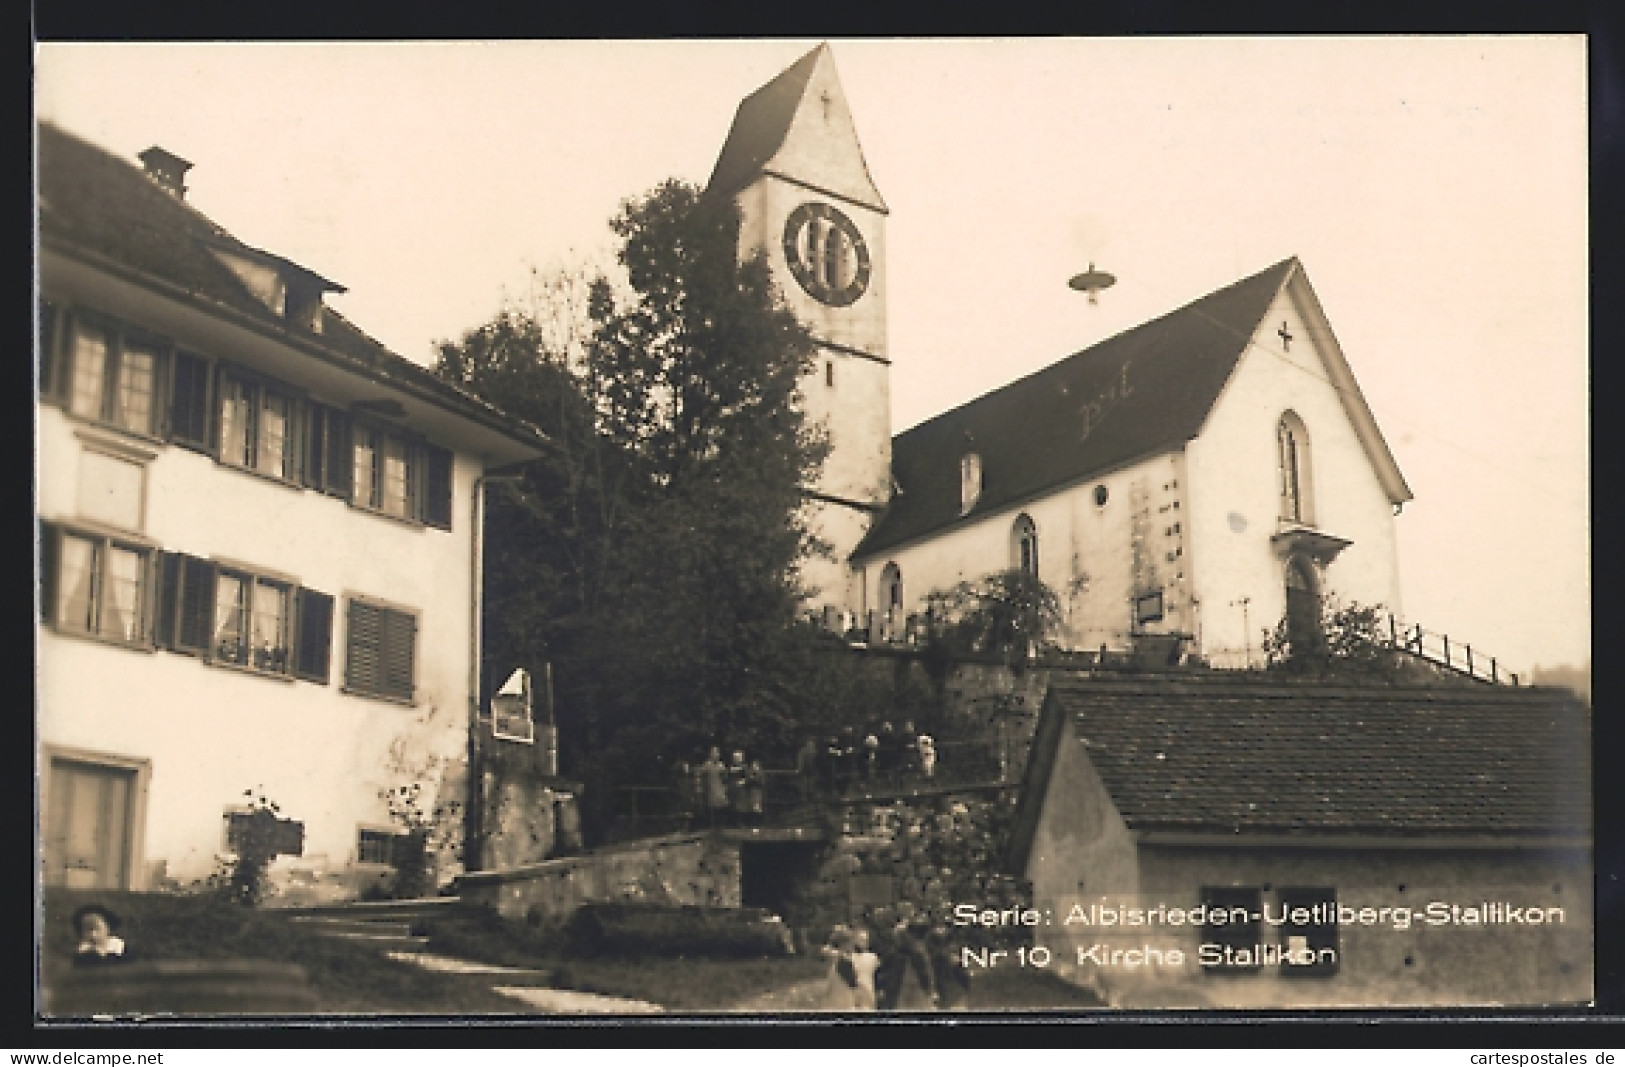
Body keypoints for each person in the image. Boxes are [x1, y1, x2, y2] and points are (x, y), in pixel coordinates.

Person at [846, 928, 882, 1011]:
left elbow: (878, 976)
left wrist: (879, 990)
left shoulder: (873, 957)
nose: (863, 942)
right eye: (860, 939)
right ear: (855, 940)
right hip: (853, 993)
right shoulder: (850, 958)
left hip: (869, 992)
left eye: (865, 940)